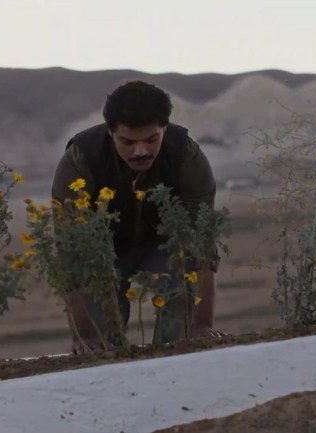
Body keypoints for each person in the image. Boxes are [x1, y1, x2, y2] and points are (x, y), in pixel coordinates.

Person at [51, 80, 225, 353]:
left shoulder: (186, 155)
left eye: (151, 140)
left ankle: (174, 358)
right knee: (100, 343)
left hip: (163, 245)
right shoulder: (81, 159)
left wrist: (201, 324)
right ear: (111, 132)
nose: (140, 151)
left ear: (164, 128)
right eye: (128, 142)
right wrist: (84, 334)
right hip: (103, 251)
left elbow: (201, 241)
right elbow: (74, 249)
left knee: (184, 327)